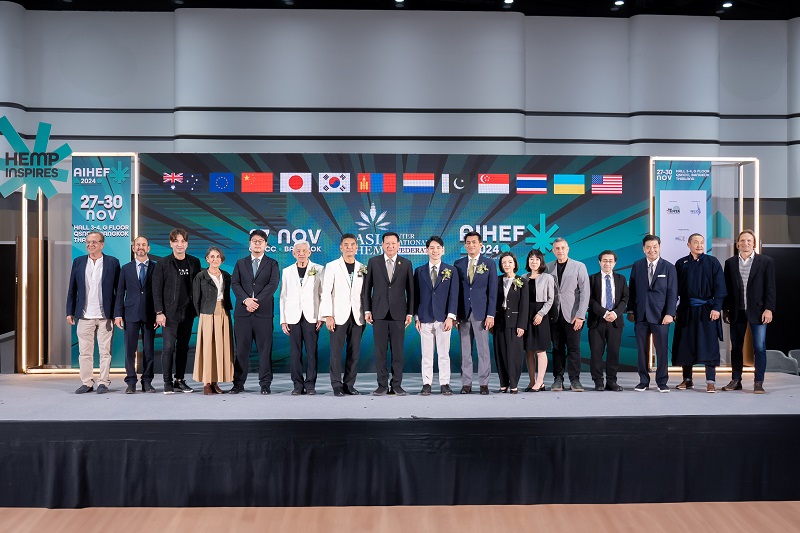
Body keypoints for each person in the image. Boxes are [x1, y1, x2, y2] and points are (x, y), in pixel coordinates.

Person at [66, 231, 120, 394]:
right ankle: (87, 382)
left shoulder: (112, 262)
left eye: (94, 242)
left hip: (105, 315)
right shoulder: (78, 262)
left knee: (105, 352)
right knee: (84, 352)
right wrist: (70, 311)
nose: (90, 245)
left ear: (102, 244)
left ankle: (103, 382)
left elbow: (118, 291)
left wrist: (117, 313)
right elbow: (72, 288)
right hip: (84, 315)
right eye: (88, 242)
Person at [722, 229, 775, 394]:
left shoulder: (765, 261)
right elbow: (726, 288)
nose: (745, 243)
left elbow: (770, 288)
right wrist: (725, 309)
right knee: (736, 347)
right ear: (738, 244)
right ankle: (736, 380)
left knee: (759, 347)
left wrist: (769, 309)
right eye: (742, 241)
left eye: (749, 241)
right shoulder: (730, 263)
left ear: (754, 244)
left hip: (758, 311)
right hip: (736, 311)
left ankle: (758, 382)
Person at [673, 233, 727, 393]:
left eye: (702, 242)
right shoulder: (681, 263)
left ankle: (710, 381)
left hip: (707, 310)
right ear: (688, 245)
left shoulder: (712, 262)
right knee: (686, 344)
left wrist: (717, 308)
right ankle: (687, 379)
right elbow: (673, 289)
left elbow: (720, 287)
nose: (699, 245)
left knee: (709, 345)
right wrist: (672, 310)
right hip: (686, 309)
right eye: (695, 242)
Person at [363, 231, 414, 396]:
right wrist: (367, 310)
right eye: (387, 243)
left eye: (393, 243)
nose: (390, 246)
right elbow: (366, 288)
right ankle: (382, 385)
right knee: (380, 352)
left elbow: (411, 291)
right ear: (382, 245)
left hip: (399, 314)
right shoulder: (373, 262)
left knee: (398, 352)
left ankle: (397, 385)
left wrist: (410, 313)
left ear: (398, 245)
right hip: (378, 313)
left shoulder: (406, 263)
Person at [231, 229, 280, 394]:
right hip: (243, 314)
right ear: (250, 244)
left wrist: (256, 301)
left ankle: (265, 384)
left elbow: (272, 285)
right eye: (254, 241)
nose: (257, 244)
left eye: (261, 241)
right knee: (241, 351)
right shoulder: (240, 263)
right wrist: (246, 300)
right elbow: (235, 284)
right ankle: (238, 384)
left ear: (266, 244)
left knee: (265, 351)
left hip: (263, 314)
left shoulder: (272, 264)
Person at [152, 228, 201, 394]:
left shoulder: (194, 262)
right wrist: (159, 312)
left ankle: (179, 380)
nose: (180, 244)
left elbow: (197, 287)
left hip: (188, 312)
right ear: (171, 243)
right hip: (169, 313)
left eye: (183, 241)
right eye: (176, 241)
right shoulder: (163, 263)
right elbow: (156, 289)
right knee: (168, 348)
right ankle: (167, 382)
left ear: (187, 243)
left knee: (183, 348)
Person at [627, 235, 677, 392]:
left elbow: (673, 292)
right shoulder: (637, 265)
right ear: (644, 249)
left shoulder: (669, 267)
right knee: (642, 351)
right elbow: (632, 290)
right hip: (641, 314)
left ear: (659, 247)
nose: (652, 250)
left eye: (655, 246)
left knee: (661, 351)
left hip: (661, 315)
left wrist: (670, 313)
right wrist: (630, 310)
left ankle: (662, 382)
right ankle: (643, 381)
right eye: (648, 247)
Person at [319, 233, 366, 397]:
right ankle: (336, 385)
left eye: (352, 244)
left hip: (357, 316)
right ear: (341, 247)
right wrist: (328, 315)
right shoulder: (332, 266)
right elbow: (325, 292)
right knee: (336, 353)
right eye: (346, 245)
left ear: (357, 247)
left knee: (354, 353)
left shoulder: (362, 267)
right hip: (337, 316)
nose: (349, 247)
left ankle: (349, 385)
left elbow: (364, 293)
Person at [413, 236, 459, 396]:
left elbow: (454, 295)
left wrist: (451, 317)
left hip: (444, 319)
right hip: (424, 318)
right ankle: (427, 383)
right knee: (426, 354)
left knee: (444, 354)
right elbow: (416, 296)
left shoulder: (451, 270)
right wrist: (416, 317)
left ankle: (445, 383)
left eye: (438, 248)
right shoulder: (419, 271)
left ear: (443, 250)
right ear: (427, 250)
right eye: (432, 248)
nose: (435, 251)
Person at [454, 231, 498, 395]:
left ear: (480, 245)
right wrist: (454, 315)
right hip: (463, 314)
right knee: (465, 351)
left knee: (483, 351)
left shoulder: (489, 263)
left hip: (482, 314)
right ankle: (466, 383)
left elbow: (492, 292)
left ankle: (484, 383)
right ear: (465, 245)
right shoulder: (458, 264)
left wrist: (491, 314)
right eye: (468, 242)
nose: (471, 245)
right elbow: (456, 292)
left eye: (474, 242)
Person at [279, 240, 324, 395]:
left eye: (304, 251)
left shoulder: (319, 269)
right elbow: (283, 296)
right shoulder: (287, 271)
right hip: (293, 317)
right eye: (298, 251)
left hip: (312, 316)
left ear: (309, 252)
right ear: (293, 253)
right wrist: (283, 320)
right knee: (295, 353)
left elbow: (323, 294)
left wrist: (321, 316)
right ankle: (297, 385)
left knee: (312, 352)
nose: (301, 253)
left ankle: (310, 384)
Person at [113, 236, 157, 394]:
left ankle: (147, 381)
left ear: (148, 248)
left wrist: (159, 313)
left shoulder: (156, 267)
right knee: (130, 350)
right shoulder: (126, 268)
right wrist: (118, 314)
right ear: (133, 248)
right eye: (138, 245)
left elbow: (159, 292)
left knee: (149, 349)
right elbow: (120, 293)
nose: (140, 247)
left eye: (144, 244)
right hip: (130, 313)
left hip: (150, 314)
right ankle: (131, 381)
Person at [547, 237, 590, 392]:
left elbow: (585, 292)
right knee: (557, 348)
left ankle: (575, 380)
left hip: (573, 316)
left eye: (563, 248)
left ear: (568, 249)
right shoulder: (548, 267)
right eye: (557, 248)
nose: (560, 251)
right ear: (553, 251)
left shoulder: (579, 266)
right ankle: (558, 379)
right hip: (554, 315)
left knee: (573, 348)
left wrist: (580, 315)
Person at [192, 246, 234, 395]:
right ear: (207, 259)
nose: (215, 259)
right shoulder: (201, 276)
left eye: (218, 256)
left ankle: (215, 382)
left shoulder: (226, 275)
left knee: (221, 347)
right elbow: (196, 298)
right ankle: (206, 383)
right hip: (207, 313)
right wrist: (202, 315)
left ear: (221, 259)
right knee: (208, 347)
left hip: (223, 312)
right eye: (212, 256)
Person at [587, 250, 629, 391]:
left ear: (615, 263)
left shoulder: (621, 279)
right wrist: (604, 313)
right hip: (597, 321)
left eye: (610, 261)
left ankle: (611, 381)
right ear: (599, 262)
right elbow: (590, 299)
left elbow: (625, 298)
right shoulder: (592, 279)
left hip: (615, 321)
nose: (607, 263)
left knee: (613, 352)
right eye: (605, 260)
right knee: (596, 353)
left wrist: (615, 313)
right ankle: (598, 381)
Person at [492, 252, 529, 394]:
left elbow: (524, 305)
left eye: (509, 262)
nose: (506, 265)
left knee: (514, 354)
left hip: (515, 323)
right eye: (504, 263)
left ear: (515, 264)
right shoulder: (496, 280)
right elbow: (492, 301)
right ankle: (503, 383)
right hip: (499, 322)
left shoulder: (521, 281)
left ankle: (514, 383)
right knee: (500, 353)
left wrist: (522, 325)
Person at [522, 249, 554, 392]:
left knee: (540, 350)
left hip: (541, 315)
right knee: (529, 351)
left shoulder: (548, 278)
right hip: (526, 315)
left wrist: (541, 314)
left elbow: (551, 299)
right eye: (531, 259)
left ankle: (540, 381)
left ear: (541, 261)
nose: (534, 262)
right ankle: (532, 381)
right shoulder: (523, 277)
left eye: (537, 259)